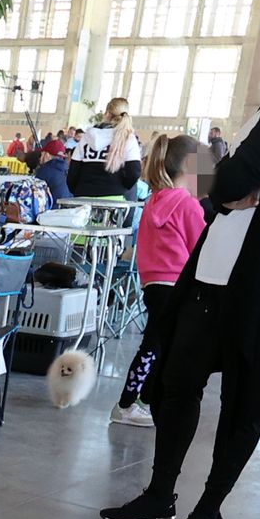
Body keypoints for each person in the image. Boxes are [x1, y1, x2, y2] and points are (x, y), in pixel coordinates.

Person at [101, 0, 260, 519]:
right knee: (177, 379)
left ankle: (208, 511)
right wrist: (231, 180)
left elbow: (227, 175)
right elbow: (219, 181)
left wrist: (232, 179)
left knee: (242, 396)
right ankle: (161, 495)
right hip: (219, 264)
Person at [109, 134, 207, 428]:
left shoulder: (155, 201)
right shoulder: (188, 206)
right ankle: (129, 403)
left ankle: (142, 401)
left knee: (156, 345)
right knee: (155, 347)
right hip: (176, 285)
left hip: (152, 284)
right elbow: (200, 247)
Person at [68, 98, 142, 198]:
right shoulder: (128, 138)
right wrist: (122, 186)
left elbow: (73, 170)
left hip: (83, 196)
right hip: (113, 198)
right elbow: (134, 172)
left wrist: (77, 190)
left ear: (107, 113)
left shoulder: (87, 137)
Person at [33, 138, 73, 203]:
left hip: (51, 210)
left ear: (47, 155)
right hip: (67, 209)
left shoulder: (45, 170)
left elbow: (34, 194)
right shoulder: (67, 169)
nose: (40, 158)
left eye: (42, 154)